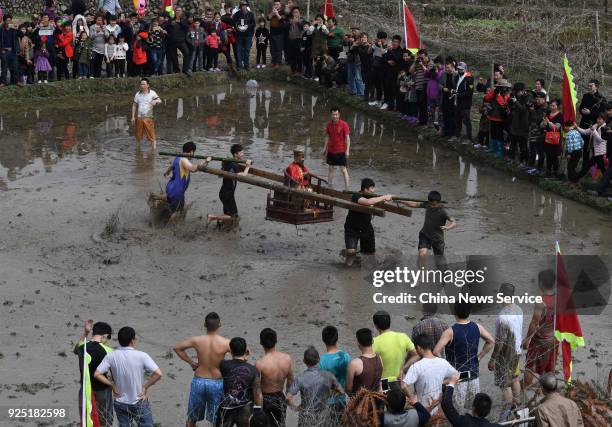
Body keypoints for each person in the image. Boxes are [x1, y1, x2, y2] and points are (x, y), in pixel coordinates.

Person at [94, 326, 163, 427]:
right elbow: (158, 374)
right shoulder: (142, 355)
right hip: (139, 400)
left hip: (120, 401)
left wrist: (112, 385)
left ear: (119, 340)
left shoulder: (111, 356)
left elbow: (97, 374)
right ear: (132, 340)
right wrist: (145, 386)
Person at [434, 302, 495, 410]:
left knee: (455, 410)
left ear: (454, 312)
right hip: (473, 375)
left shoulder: (450, 331)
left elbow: (436, 351)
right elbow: (491, 341)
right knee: (473, 409)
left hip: (457, 377)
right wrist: (480, 356)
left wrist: (445, 365)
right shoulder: (478, 327)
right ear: (469, 312)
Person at [173, 312, 231, 427]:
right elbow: (243, 353)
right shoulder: (226, 343)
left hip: (199, 381)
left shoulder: (197, 340)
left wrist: (192, 363)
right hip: (217, 382)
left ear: (204, 324)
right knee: (217, 420)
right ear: (220, 325)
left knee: (192, 418)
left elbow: (177, 348)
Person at [488, 283, 523, 422]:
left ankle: (505, 417)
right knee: (514, 378)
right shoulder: (519, 309)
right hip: (517, 352)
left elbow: (500, 342)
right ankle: (518, 408)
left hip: (505, 356)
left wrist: (493, 359)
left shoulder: (502, 317)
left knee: (505, 384)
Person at [287, 346, 346, 427]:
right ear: (318, 359)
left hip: (306, 417)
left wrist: (295, 408)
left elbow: (288, 397)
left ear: (304, 361)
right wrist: (329, 395)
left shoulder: (300, 377)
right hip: (323, 416)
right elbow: (342, 392)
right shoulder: (328, 375)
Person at [402, 334, 458, 414]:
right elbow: (458, 376)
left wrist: (412, 398)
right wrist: (442, 382)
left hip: (421, 408)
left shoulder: (416, 366)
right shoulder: (443, 362)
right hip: (436, 405)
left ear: (418, 347)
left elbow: (403, 386)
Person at [343, 178, 393, 266]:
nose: (374, 190)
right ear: (366, 189)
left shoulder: (373, 197)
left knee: (370, 255)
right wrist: (384, 197)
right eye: (372, 188)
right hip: (352, 228)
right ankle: (347, 265)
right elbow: (368, 202)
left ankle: (361, 261)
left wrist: (385, 200)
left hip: (366, 228)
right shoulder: (356, 196)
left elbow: (378, 203)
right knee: (351, 253)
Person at [73, 320, 114, 427]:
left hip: (84, 390)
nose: (108, 340)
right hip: (102, 390)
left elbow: (75, 349)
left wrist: (86, 332)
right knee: (105, 419)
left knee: (87, 419)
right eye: (108, 337)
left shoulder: (82, 348)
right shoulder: (108, 350)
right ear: (105, 335)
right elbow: (114, 372)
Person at [523, 270, 558, 386]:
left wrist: (527, 339)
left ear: (541, 283)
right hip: (554, 339)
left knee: (530, 367)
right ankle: (547, 393)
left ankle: (522, 391)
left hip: (540, 340)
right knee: (550, 368)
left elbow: (534, 322)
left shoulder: (541, 301)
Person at [218, 337, 263, 427]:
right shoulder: (253, 370)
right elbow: (257, 393)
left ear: (230, 351)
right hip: (245, 408)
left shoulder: (223, 365)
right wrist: (258, 411)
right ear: (246, 351)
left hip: (227, 406)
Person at [254, 328, 294, 427]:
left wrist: (258, 409)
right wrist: (288, 395)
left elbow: (257, 390)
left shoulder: (260, 364)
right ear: (276, 341)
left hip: (266, 399)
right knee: (281, 424)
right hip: (280, 397)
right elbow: (290, 379)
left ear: (261, 343)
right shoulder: (287, 358)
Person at [206, 144, 252, 227]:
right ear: (235, 154)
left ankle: (220, 224)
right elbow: (242, 175)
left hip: (225, 193)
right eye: (241, 153)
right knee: (234, 216)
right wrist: (248, 166)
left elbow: (221, 174)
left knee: (228, 214)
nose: (243, 154)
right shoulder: (233, 165)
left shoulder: (230, 163)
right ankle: (212, 217)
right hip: (227, 194)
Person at [401, 191, 456, 260]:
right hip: (425, 234)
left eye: (434, 205)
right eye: (430, 204)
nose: (432, 206)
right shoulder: (427, 205)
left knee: (439, 262)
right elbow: (414, 204)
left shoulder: (443, 212)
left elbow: (454, 222)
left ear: (438, 203)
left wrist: (448, 227)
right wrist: (402, 201)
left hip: (437, 239)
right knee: (422, 253)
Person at [372, 310, 416, 389]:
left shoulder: (374, 342)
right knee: (399, 400)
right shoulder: (403, 337)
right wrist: (403, 368)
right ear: (390, 323)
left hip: (383, 384)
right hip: (399, 381)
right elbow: (416, 354)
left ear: (376, 326)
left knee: (386, 401)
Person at [319, 326, 350, 420]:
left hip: (327, 403)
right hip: (342, 399)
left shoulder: (321, 360)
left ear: (323, 339)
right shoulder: (345, 356)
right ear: (337, 338)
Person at [578, 79, 607, 175]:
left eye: (591, 86)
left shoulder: (602, 99)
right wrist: (582, 111)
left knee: (596, 150)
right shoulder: (586, 96)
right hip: (584, 124)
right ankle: (584, 169)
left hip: (596, 127)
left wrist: (590, 113)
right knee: (584, 148)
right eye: (589, 85)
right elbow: (580, 107)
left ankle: (596, 171)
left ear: (596, 86)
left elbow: (602, 114)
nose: (589, 87)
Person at [346, 328, 383, 394]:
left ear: (358, 343)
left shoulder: (354, 364)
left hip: (360, 402)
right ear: (372, 341)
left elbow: (348, 389)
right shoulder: (379, 358)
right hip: (377, 401)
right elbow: (380, 382)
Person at [323, 107, 351, 190]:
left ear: (339, 115)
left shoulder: (344, 124)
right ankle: (329, 186)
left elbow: (347, 138)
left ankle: (347, 188)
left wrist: (347, 151)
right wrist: (325, 148)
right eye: (333, 114)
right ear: (331, 115)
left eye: (336, 114)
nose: (334, 116)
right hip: (331, 150)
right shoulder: (329, 125)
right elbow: (327, 136)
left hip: (341, 150)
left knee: (343, 170)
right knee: (331, 169)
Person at [132, 78, 161, 148]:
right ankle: (137, 150)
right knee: (138, 135)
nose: (142, 86)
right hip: (139, 117)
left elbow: (160, 100)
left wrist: (155, 101)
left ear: (148, 85)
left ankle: (153, 151)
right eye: (141, 84)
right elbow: (134, 105)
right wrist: (132, 117)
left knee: (151, 135)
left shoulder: (152, 93)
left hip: (148, 117)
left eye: (144, 84)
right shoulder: (138, 94)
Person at [508, 82, 531, 163]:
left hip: (523, 126)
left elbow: (523, 109)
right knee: (513, 144)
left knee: (523, 146)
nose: (517, 93)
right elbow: (511, 106)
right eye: (516, 92)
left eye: (518, 92)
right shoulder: (514, 96)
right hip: (515, 124)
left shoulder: (527, 97)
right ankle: (511, 159)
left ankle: (523, 161)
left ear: (522, 91)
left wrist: (515, 102)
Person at [164, 6, 190, 75]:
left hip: (181, 41)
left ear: (181, 12)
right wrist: (170, 23)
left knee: (187, 53)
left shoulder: (184, 20)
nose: (178, 12)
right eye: (177, 10)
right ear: (175, 12)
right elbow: (166, 27)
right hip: (172, 41)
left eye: (179, 11)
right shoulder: (171, 20)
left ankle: (185, 70)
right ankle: (176, 70)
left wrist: (180, 22)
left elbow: (186, 28)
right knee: (174, 56)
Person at [232, 0, 255, 70]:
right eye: (242, 5)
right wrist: (238, 28)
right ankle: (239, 66)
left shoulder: (251, 14)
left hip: (248, 35)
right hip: (239, 35)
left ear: (247, 6)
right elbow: (233, 23)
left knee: (247, 50)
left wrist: (248, 27)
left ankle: (246, 65)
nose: (244, 7)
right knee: (239, 50)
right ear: (240, 6)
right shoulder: (236, 14)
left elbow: (253, 24)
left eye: (245, 5)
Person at [454, 62, 474, 142]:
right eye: (458, 69)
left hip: (465, 103)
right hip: (457, 102)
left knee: (466, 121)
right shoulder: (456, 77)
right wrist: (454, 92)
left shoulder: (469, 78)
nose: (459, 71)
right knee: (457, 119)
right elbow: (455, 87)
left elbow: (470, 91)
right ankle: (457, 135)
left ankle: (469, 138)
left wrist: (459, 94)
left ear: (465, 69)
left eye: (461, 69)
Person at [267, 1, 284, 68]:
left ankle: (278, 62)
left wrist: (276, 13)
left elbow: (282, 20)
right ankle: (273, 62)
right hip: (272, 33)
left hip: (280, 34)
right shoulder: (271, 12)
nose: (276, 5)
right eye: (275, 4)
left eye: (277, 4)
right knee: (272, 49)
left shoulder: (282, 12)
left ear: (280, 5)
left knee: (278, 49)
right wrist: (272, 13)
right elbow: (268, 18)